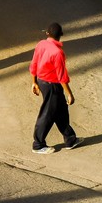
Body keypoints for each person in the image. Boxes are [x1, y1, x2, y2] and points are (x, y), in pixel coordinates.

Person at [29, 22, 82, 154]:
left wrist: (34, 82)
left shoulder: (41, 44)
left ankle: (70, 139)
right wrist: (70, 94)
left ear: (47, 33)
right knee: (47, 114)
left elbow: (34, 64)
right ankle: (38, 144)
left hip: (42, 82)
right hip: (52, 86)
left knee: (61, 111)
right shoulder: (58, 53)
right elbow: (62, 77)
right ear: (61, 35)